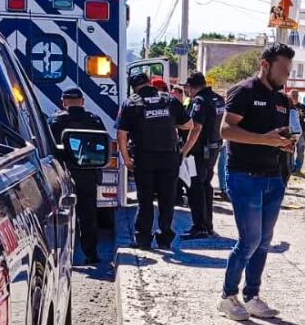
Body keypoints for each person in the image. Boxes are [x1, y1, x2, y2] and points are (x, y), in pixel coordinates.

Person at [218, 43, 296, 322]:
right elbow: (226, 130)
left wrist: (283, 143)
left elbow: (274, 134)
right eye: (282, 69)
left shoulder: (281, 100)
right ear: (265, 64)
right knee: (249, 240)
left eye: (289, 70)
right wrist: (266, 139)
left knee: (264, 241)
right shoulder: (244, 91)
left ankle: (252, 296)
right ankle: (228, 296)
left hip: (272, 176)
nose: (286, 75)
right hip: (244, 176)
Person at [117, 73, 193, 250]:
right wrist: (171, 123)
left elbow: (121, 134)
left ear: (133, 87)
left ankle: (143, 240)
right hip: (169, 158)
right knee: (167, 199)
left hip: (144, 159)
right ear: (149, 83)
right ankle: (165, 238)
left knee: (145, 200)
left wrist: (126, 159)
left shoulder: (131, 102)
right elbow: (188, 125)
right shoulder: (170, 100)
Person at [48, 88, 106, 264]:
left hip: (62, 174)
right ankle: (91, 254)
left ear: (63, 102)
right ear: (82, 101)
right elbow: (102, 144)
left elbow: (48, 149)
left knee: (60, 216)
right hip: (88, 173)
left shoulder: (55, 121)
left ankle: (61, 256)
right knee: (88, 215)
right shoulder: (94, 120)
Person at [181, 71, 226, 240]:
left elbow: (196, 127)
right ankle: (208, 225)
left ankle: (199, 226)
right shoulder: (217, 99)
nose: (186, 91)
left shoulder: (200, 101)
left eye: (187, 87)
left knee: (195, 187)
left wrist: (184, 151)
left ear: (192, 87)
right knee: (206, 186)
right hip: (213, 149)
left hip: (199, 153)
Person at [288, 88, 305, 174]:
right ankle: (291, 168)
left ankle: (298, 168)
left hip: (301, 133)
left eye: (296, 95)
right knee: (291, 151)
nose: (295, 97)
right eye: (293, 95)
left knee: (300, 151)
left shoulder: (302, 107)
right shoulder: (288, 106)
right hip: (291, 133)